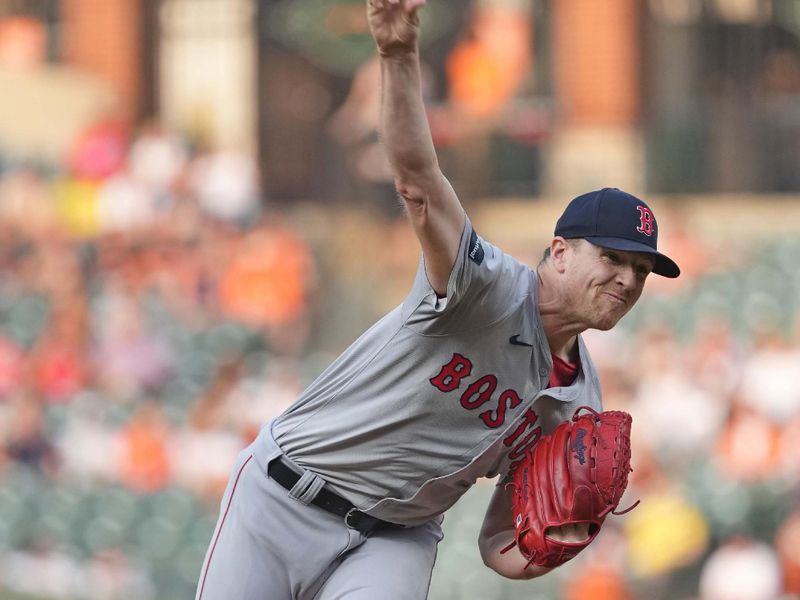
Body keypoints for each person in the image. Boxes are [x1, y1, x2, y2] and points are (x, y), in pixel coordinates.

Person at [194, 1, 680, 599]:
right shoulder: (486, 286)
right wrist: (398, 56)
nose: (628, 280)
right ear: (558, 252)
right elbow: (419, 183)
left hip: (394, 538)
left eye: (641, 270)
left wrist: (564, 538)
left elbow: (499, 547)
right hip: (282, 495)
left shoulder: (578, 404)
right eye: (612, 259)